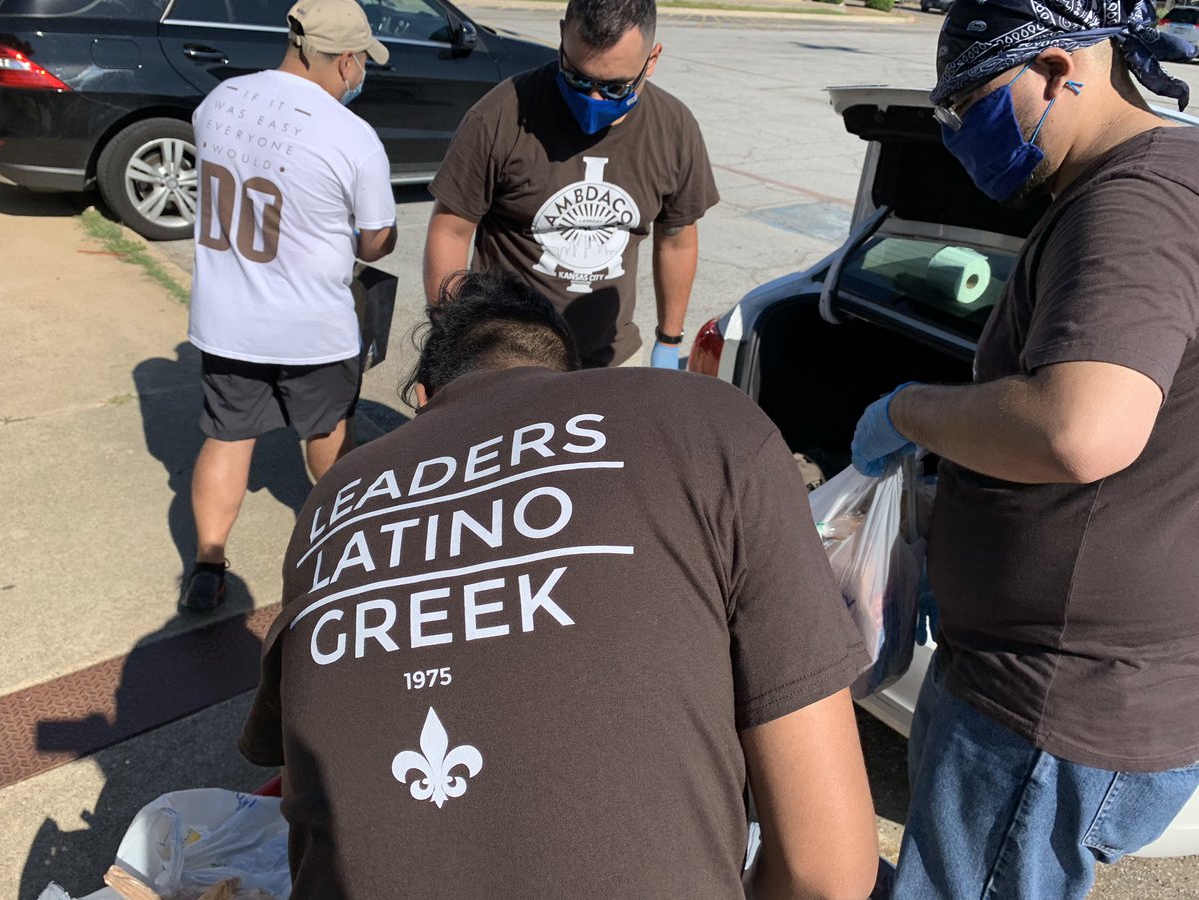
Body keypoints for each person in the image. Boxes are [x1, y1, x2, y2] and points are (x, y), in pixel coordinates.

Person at [239, 270, 878, 899]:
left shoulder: (334, 500)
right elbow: (827, 873)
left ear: (425, 399)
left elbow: (305, 771)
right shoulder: (708, 424)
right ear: (566, 379)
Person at [849, 0, 1199, 896]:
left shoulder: (1132, 208)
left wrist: (911, 410)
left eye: (971, 105)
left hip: (1052, 701)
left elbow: (1080, 430)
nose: (962, 135)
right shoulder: (1156, 182)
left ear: (1054, 67)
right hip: (1063, 676)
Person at [182, 0, 398, 611]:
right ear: (348, 60)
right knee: (328, 433)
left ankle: (207, 563)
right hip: (313, 326)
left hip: (226, 319)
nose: (359, 78)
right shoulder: (351, 135)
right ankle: (342, 546)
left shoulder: (219, 102)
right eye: (361, 65)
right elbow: (374, 238)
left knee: (228, 438)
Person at [421, 0, 719, 370]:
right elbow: (450, 231)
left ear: (652, 60)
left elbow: (677, 240)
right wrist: (450, 340)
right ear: (562, 35)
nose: (593, 99)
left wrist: (669, 342)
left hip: (612, 359)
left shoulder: (674, 129)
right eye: (578, 78)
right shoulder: (500, 116)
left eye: (614, 88)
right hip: (507, 361)